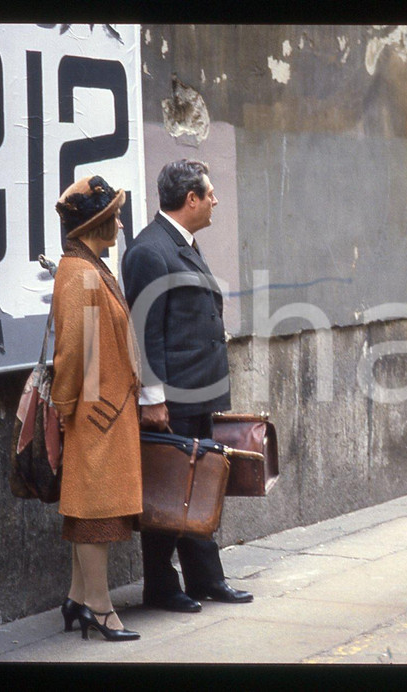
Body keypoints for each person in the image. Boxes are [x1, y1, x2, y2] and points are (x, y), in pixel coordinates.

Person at [122, 159, 253, 613]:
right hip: (171, 398)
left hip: (199, 393)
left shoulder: (183, 244)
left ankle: (205, 578)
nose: (216, 200)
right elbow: (144, 331)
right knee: (169, 490)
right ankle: (160, 585)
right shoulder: (148, 251)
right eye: (210, 193)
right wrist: (152, 398)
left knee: (200, 487)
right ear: (190, 199)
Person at [51, 175, 142, 641]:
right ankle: (101, 609)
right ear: (96, 224)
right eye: (114, 217)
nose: (120, 223)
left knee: (90, 510)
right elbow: (73, 351)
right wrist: (71, 411)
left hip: (100, 409)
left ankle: (76, 597)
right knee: (95, 515)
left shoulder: (90, 267)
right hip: (96, 414)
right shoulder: (83, 274)